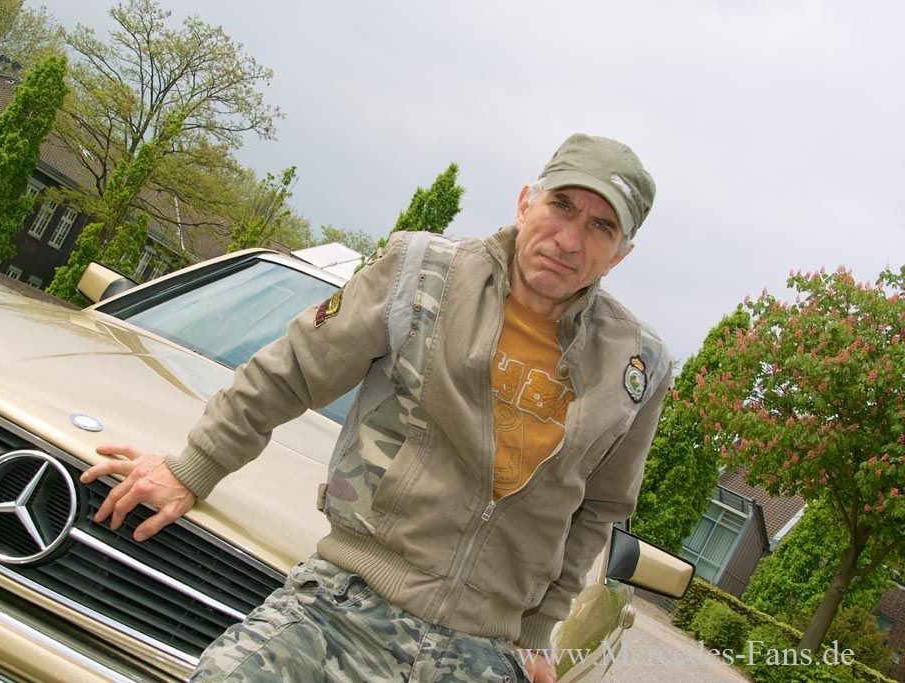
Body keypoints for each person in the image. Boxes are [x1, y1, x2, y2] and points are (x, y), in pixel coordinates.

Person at [81, 133, 670, 682]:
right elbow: (294, 369)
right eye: (562, 206)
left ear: (620, 254)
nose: (569, 239)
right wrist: (193, 468)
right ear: (525, 203)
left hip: (481, 654)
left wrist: (539, 632)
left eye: (601, 226)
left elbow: (596, 509)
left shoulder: (636, 366)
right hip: (342, 609)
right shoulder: (423, 273)